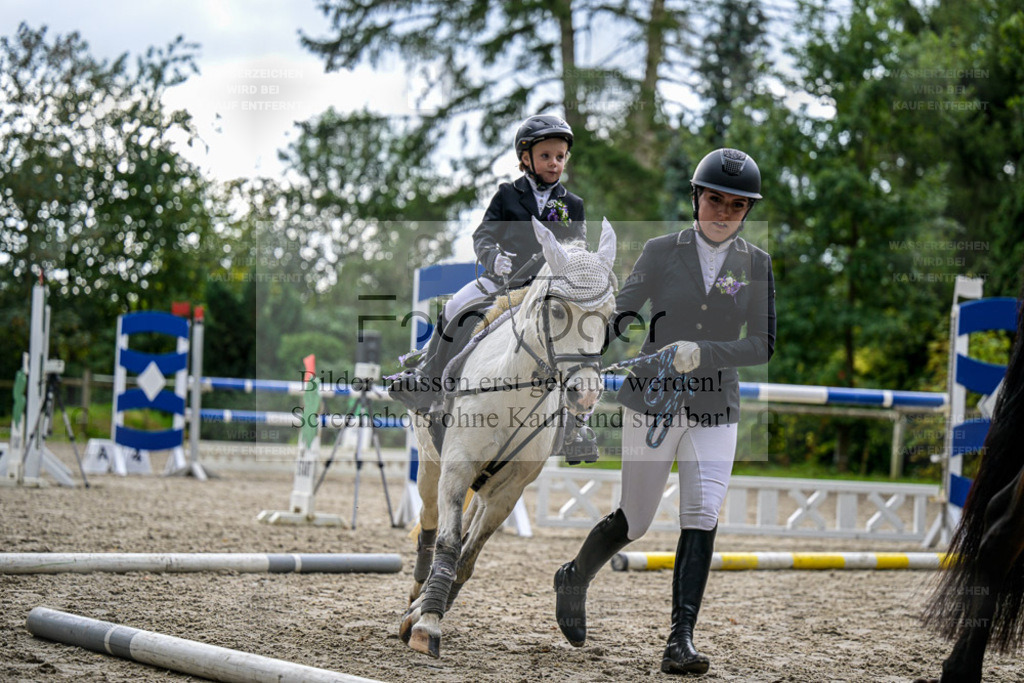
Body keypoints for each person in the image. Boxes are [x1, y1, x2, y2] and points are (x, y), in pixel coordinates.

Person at [553, 148, 776, 674]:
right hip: (653, 400)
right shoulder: (659, 251)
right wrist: (586, 359)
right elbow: (623, 312)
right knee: (635, 520)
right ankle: (574, 576)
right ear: (696, 198)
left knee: (702, 515)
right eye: (715, 200)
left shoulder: (756, 263)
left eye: (737, 205)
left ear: (747, 210)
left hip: (715, 406)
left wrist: (708, 352)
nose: (724, 213)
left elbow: (763, 344)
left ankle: (681, 639)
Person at [390, 114, 597, 460]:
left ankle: (578, 423)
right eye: (546, 156)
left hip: (547, 291)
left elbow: (578, 250)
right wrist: (494, 257)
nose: (554, 163)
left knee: (583, 330)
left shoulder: (572, 205)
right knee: (455, 306)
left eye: (560, 156)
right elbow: (483, 235)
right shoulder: (507, 195)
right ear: (526, 158)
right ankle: (428, 381)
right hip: (502, 281)